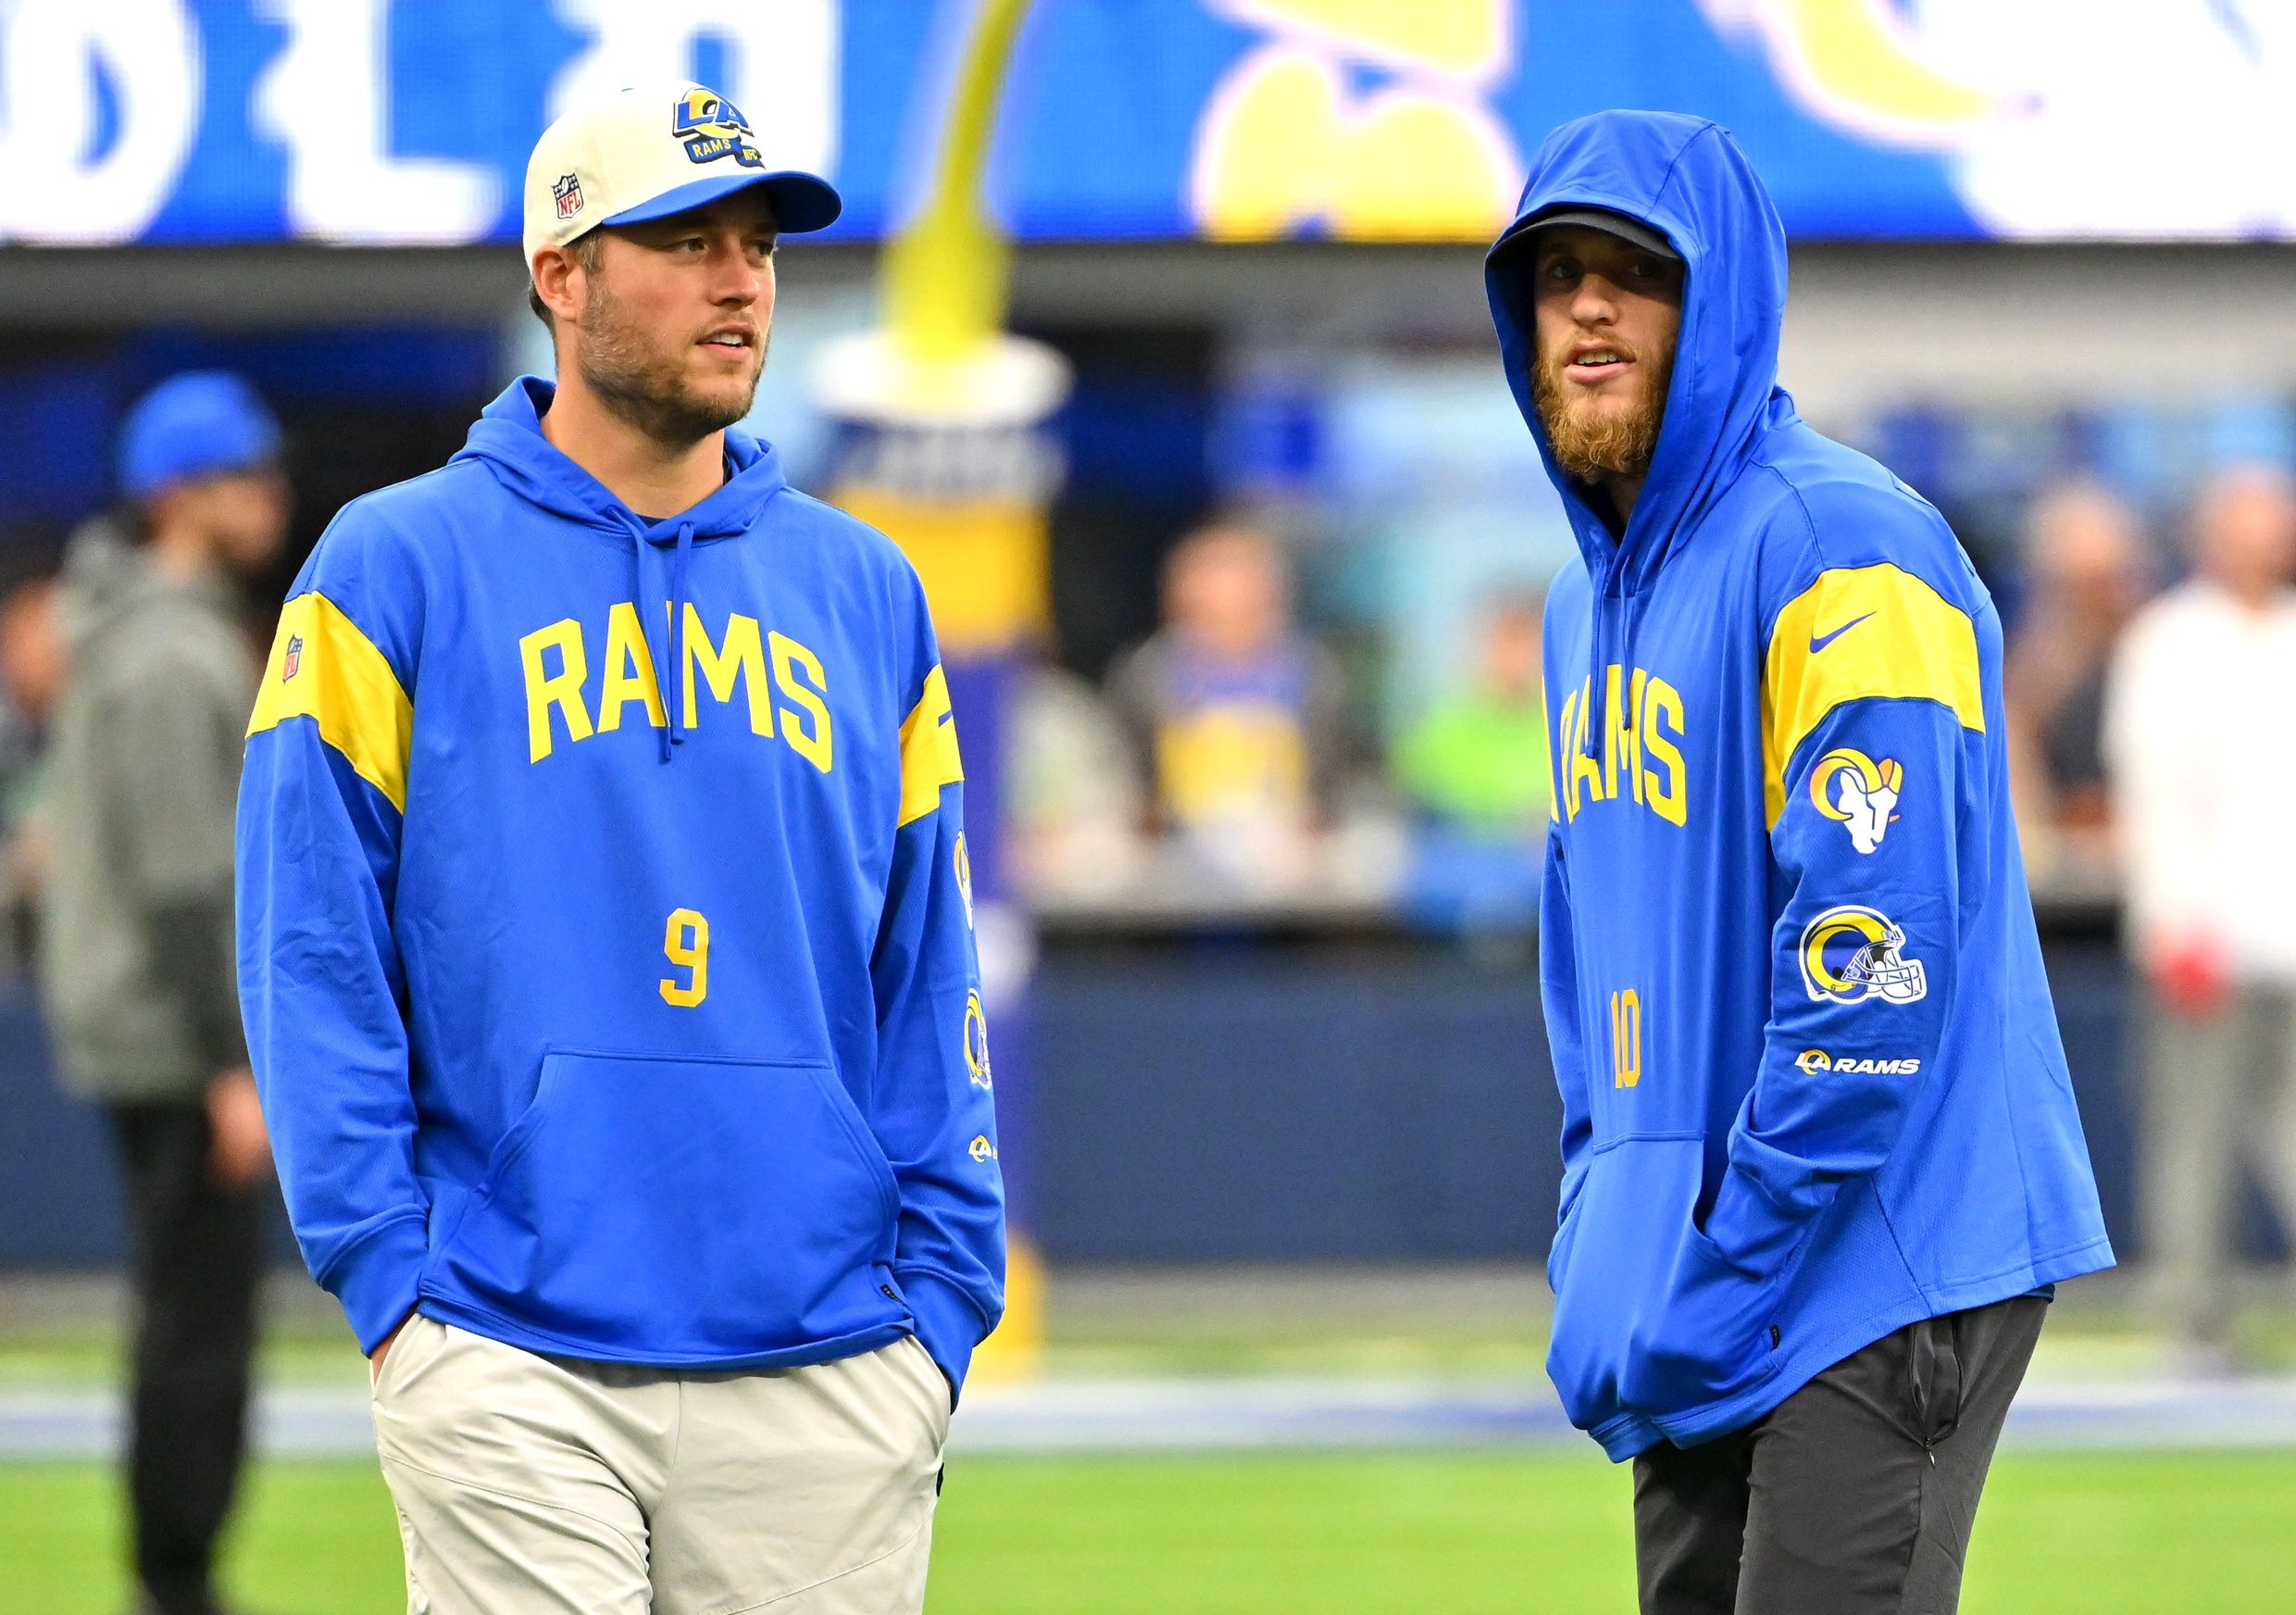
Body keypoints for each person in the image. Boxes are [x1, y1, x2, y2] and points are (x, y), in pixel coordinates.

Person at [236, 81, 1001, 1615]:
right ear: (560, 274)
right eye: (684, 239)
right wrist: (391, 1276)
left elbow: (930, 966)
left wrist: (941, 1299)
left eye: (759, 246)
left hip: (834, 1353)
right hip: (504, 1337)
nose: (739, 279)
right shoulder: (388, 567)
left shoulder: (867, 589)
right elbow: (310, 948)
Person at [1485, 111, 2112, 1614]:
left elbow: (1874, 961)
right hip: (1705, 1250)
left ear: (1724, 301)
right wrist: (1606, 1221)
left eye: (1632, 273)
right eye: (1556, 274)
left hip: (1877, 1239)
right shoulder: (1588, 599)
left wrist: (1728, 1248)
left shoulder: (1844, 543)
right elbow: (1589, 951)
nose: (1586, 308)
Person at [39, 371, 289, 1615]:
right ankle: (178, 1580)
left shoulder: (132, 631)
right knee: (199, 1324)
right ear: (183, 497)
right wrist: (233, 1062)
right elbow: (195, 883)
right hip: (177, 1036)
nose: (271, 498)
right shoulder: (170, 652)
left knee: (185, 1311)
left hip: (143, 1023)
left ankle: (174, 1571)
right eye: (247, 476)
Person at [2103, 463, 2296, 1370]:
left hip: (2285, 930)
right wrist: (2172, 920)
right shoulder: (2169, 642)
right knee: (2197, 1135)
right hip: (2207, 933)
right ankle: (2192, 1316)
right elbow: (2153, 794)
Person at [1104, 519, 1348, 887]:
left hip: (1291, 851)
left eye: (1238, 603)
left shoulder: (1313, 674)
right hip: (1174, 851)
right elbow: (1129, 775)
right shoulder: (1148, 675)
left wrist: (1315, 826)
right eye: (1205, 611)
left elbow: (1340, 774)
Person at [2003, 482, 2151, 878]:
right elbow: (2025, 818)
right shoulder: (2026, 684)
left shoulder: (2163, 664)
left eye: (2116, 581)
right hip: (2070, 888)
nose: (2109, 601)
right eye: (2087, 586)